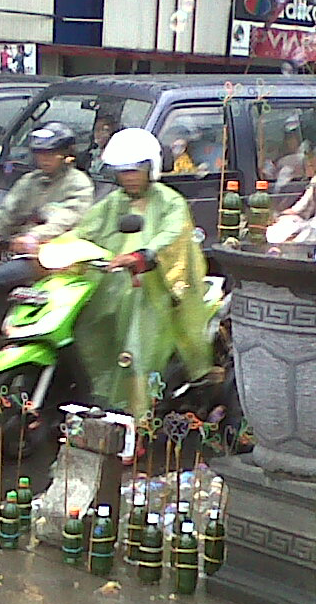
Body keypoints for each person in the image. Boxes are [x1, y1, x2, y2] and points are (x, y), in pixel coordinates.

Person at [66, 128, 212, 417]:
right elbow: (85, 231)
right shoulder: (113, 203)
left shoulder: (170, 202)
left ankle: (140, 420)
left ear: (150, 168)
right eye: (123, 171)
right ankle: (103, 401)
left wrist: (143, 257)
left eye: (136, 170)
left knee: (139, 350)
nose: (130, 177)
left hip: (155, 290)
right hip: (113, 286)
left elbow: (172, 237)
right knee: (86, 328)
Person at [0, 121, 95, 318]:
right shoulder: (30, 181)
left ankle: (0, 333)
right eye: (40, 153)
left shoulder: (78, 184)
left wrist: (34, 236)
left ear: (66, 153)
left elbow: (65, 218)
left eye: (51, 153)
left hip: (50, 256)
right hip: (17, 248)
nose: (45, 159)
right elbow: (7, 212)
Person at [266, 148, 316, 245]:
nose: (309, 166)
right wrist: (280, 216)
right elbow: (302, 205)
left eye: (312, 163)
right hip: (308, 223)